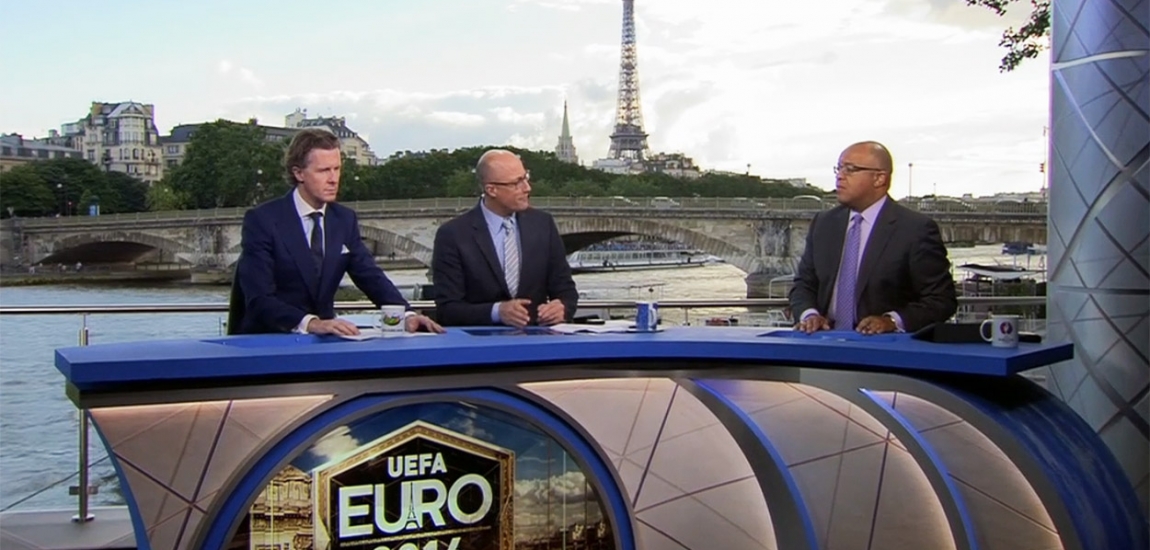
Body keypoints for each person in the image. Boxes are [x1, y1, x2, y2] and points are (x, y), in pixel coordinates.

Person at [233, 129, 443, 336]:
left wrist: (406, 314)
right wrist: (311, 323)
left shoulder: (344, 219)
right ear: (299, 173)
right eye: (324, 171)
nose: (333, 179)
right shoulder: (263, 220)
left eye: (337, 169)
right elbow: (259, 298)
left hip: (323, 342)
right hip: (270, 340)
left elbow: (369, 275)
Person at [789, 141, 957, 335]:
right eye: (839, 168)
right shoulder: (824, 223)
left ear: (879, 178)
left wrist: (891, 321)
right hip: (824, 340)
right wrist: (809, 315)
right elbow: (804, 284)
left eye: (850, 169)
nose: (840, 176)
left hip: (883, 346)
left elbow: (941, 300)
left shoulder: (915, 229)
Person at [432, 149, 578, 327]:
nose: (527, 188)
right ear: (491, 190)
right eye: (517, 183)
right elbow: (447, 309)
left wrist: (562, 308)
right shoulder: (453, 234)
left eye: (526, 178)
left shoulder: (543, 225)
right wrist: (497, 312)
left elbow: (566, 290)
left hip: (536, 338)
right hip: (481, 340)